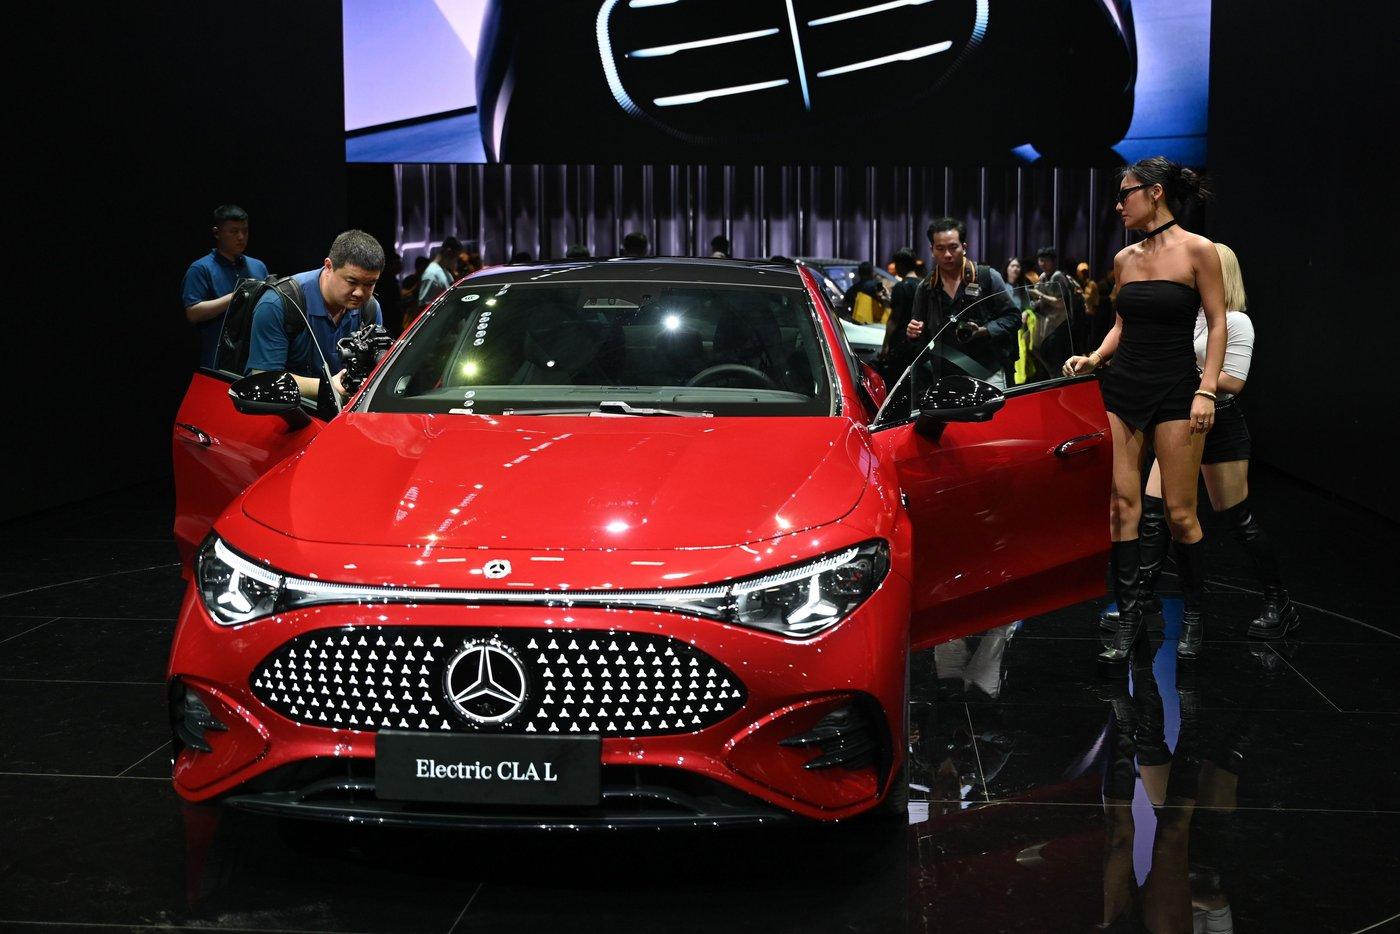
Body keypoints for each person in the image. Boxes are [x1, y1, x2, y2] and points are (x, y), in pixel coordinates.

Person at [1063, 156, 1225, 670]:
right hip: (1124, 388)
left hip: (1177, 389)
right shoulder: (1124, 258)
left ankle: (1194, 613)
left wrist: (1207, 390)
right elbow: (1120, 324)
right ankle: (1131, 616)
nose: (1118, 205)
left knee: (1179, 513)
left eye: (1125, 194)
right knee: (1122, 506)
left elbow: (1218, 323)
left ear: (1155, 193)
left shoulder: (1198, 250)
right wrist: (1095, 358)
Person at [1098, 242, 1298, 641]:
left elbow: (1233, 382)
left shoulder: (1236, 322)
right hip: (1178, 419)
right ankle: (1142, 600)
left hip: (1217, 421)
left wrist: (1181, 371)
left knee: (1236, 517)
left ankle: (1279, 601)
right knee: (1155, 512)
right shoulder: (1190, 319)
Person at [246, 229, 384, 402]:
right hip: (287, 410)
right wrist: (328, 386)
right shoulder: (277, 304)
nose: (360, 293)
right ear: (328, 267)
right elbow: (264, 379)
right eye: (351, 282)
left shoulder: (370, 309)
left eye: (370, 284)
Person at [904, 217, 1021, 390]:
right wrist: (913, 333)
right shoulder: (926, 287)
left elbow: (1014, 318)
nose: (947, 254)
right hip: (945, 376)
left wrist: (983, 330)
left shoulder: (987, 277)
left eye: (953, 247)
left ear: (964, 248)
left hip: (988, 372)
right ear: (932, 250)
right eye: (940, 248)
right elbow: (919, 334)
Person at [181, 204, 269, 368]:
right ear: (217, 233)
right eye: (234, 231)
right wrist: (235, 297)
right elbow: (193, 313)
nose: (241, 237)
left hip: (253, 357)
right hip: (216, 359)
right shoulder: (201, 268)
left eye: (245, 231)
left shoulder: (258, 266)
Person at [880, 248, 922, 381]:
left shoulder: (901, 286)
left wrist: (885, 345)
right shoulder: (923, 284)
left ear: (902, 264)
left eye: (896, 264)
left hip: (901, 342)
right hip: (918, 341)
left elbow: (894, 319)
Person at [416, 237, 462, 310]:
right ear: (449, 252)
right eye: (456, 257)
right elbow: (424, 307)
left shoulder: (445, 272)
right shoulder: (431, 274)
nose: (456, 261)